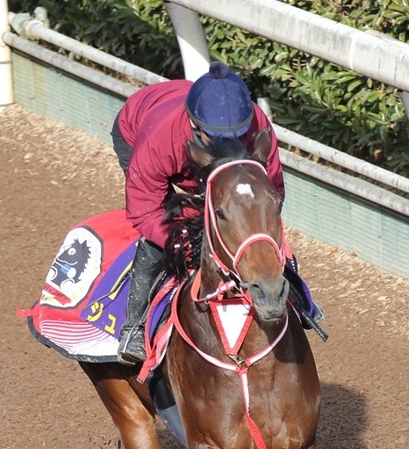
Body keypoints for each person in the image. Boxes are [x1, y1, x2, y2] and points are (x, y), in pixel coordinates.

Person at [111, 61, 284, 365]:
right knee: (165, 235)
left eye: (237, 135)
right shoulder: (159, 140)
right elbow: (145, 210)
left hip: (191, 139)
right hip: (136, 127)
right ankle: (134, 327)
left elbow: (273, 193)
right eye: (214, 137)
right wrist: (183, 244)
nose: (226, 145)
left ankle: (302, 302)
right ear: (193, 127)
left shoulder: (258, 127)